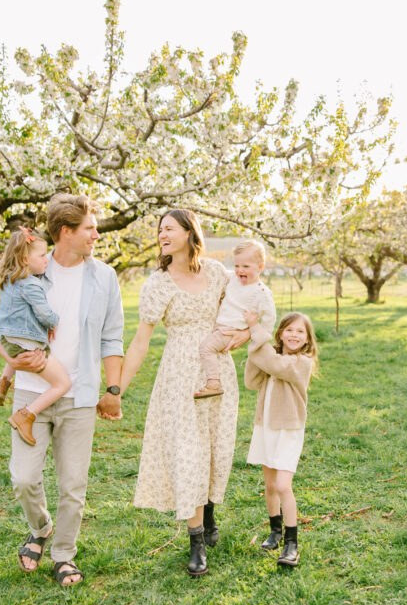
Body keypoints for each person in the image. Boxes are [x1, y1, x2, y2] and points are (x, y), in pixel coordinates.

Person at [0, 193, 125, 588]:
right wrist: (9, 357)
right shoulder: (30, 268)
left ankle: (64, 555)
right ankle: (41, 528)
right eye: (89, 228)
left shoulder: (104, 277)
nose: (96, 235)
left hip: (78, 396)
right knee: (23, 478)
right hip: (30, 394)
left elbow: (112, 337)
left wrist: (113, 389)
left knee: (73, 486)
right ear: (65, 232)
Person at [118, 209, 249, 577]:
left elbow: (248, 304)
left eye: (169, 229)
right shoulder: (158, 284)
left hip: (217, 371)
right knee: (189, 452)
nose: (162, 235)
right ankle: (195, 540)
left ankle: (208, 512)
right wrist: (117, 389)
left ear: (191, 233)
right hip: (178, 376)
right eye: (159, 230)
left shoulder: (217, 273)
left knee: (215, 448)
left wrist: (242, 336)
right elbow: (141, 341)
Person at [243, 310, 319, 568]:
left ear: (307, 339)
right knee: (270, 485)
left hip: (288, 430)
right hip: (266, 428)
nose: (294, 335)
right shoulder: (271, 357)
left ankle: (291, 543)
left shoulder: (302, 362)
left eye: (300, 331)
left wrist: (255, 331)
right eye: (289, 330)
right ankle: (275, 531)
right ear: (280, 334)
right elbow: (251, 381)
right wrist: (257, 350)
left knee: (284, 486)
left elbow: (276, 366)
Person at [0, 227, 71, 446]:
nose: (46, 259)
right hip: (27, 345)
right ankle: (26, 415)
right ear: (25, 259)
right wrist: (54, 322)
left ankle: (3, 383)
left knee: (15, 347)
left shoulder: (9, 280)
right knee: (62, 383)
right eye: (42, 255)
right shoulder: (31, 284)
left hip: (8, 339)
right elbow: (44, 313)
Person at [194, 239, 276, 399]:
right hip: (220, 327)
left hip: (230, 331)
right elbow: (219, 271)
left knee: (206, 348)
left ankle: (213, 383)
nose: (240, 270)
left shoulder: (261, 293)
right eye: (237, 265)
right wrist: (200, 261)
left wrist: (255, 334)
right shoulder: (233, 279)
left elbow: (269, 318)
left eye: (246, 266)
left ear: (260, 267)